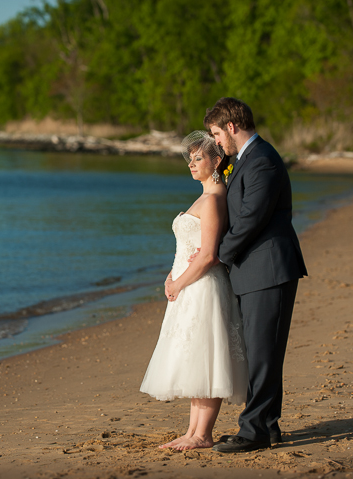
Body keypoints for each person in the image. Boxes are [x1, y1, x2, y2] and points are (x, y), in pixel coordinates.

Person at [201, 97, 308, 453]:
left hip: (269, 269)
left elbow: (251, 219)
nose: (216, 142)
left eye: (217, 133)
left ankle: (256, 430)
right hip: (254, 271)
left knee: (263, 352)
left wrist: (218, 255)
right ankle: (264, 425)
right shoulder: (245, 160)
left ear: (231, 127)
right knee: (257, 350)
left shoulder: (263, 161)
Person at [139, 131, 248, 451]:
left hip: (202, 287)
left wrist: (178, 282)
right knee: (195, 357)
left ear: (216, 161)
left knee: (206, 357)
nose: (191, 164)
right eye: (190, 158)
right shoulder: (204, 196)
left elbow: (210, 255)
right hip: (189, 285)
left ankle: (203, 434)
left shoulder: (214, 199)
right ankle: (193, 431)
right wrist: (172, 278)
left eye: (198, 158)